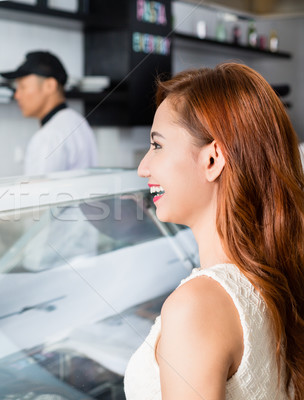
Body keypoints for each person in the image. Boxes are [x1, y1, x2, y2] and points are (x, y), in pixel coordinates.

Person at [125, 62, 304, 399]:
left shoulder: (195, 307)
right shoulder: (277, 271)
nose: (143, 167)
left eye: (158, 145)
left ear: (213, 160)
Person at [0, 51, 97, 175]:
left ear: (50, 86)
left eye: (23, 87)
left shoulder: (49, 136)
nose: (17, 95)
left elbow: (38, 192)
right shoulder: (77, 121)